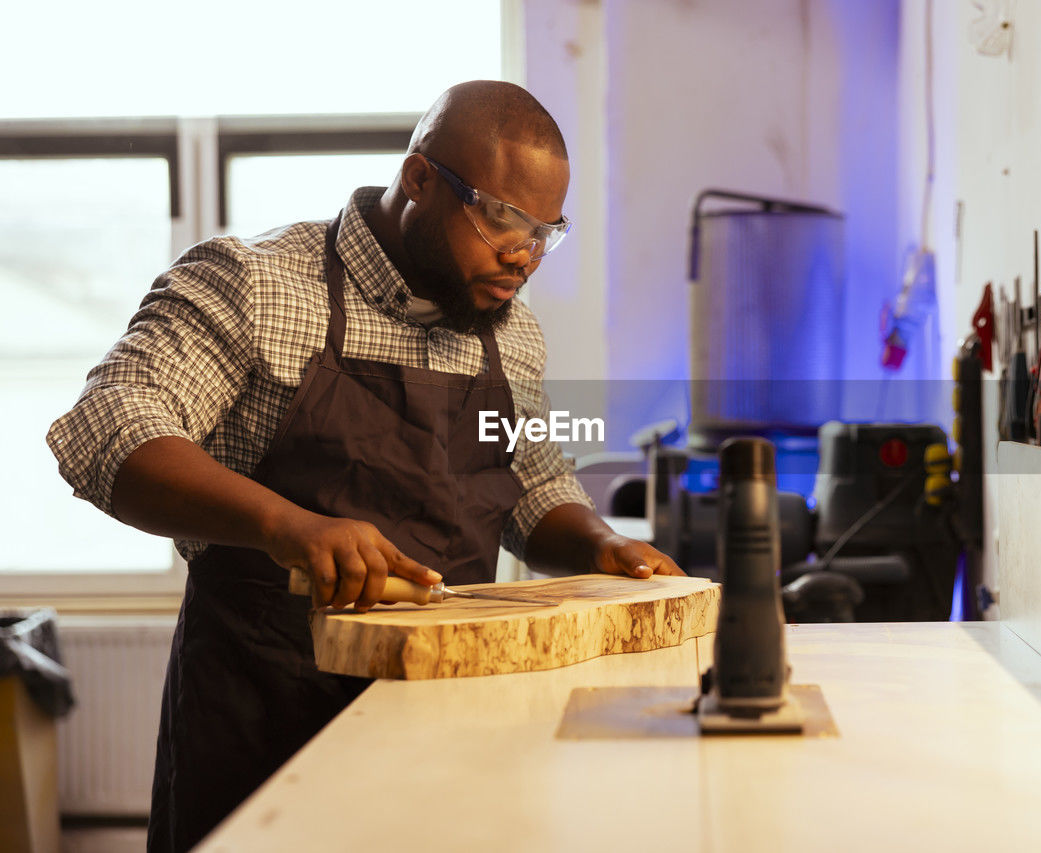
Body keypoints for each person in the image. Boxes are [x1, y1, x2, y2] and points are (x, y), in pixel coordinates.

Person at [47, 80, 683, 853]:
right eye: (503, 220)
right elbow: (107, 425)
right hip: (262, 722)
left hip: (448, 726)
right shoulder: (255, 283)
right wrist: (288, 524)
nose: (525, 255)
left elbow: (532, 485)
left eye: (548, 232)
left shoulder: (510, 333)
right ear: (420, 179)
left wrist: (596, 542)